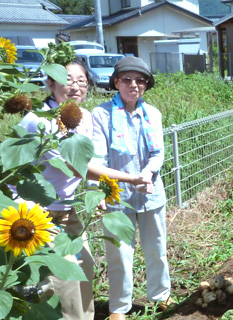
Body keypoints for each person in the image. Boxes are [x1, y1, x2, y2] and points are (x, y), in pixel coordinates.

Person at [16, 58, 152, 320]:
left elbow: (93, 159)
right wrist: (131, 178)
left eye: (81, 81)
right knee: (61, 280)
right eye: (68, 80)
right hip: (32, 212)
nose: (76, 87)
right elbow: (78, 166)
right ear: (50, 83)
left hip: (66, 209)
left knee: (84, 269)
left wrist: (96, 192)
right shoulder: (39, 121)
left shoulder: (84, 118)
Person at [90, 56, 172, 320]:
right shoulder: (101, 114)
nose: (134, 85)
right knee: (119, 254)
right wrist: (98, 191)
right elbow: (98, 158)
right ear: (116, 82)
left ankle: (161, 296)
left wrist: (148, 173)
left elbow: (158, 153)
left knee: (156, 249)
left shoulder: (153, 114)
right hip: (117, 197)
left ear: (146, 85)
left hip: (150, 193)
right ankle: (119, 307)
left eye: (140, 80)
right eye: (127, 79)